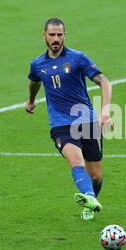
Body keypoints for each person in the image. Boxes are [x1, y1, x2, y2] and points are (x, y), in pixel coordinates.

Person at [26, 18, 112, 221]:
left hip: (88, 122)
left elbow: (104, 82)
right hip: (61, 124)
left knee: (96, 176)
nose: (56, 39)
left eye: (59, 35)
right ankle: (89, 197)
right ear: (44, 35)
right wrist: (30, 101)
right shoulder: (37, 64)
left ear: (65, 35)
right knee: (76, 160)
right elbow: (34, 82)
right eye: (52, 35)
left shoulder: (77, 58)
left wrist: (105, 111)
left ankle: (91, 202)